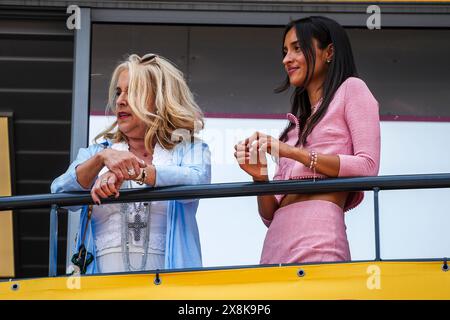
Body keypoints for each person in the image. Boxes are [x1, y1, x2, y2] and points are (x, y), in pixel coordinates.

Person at [234, 16, 380, 264]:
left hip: (320, 238)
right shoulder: (292, 128)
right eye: (284, 51)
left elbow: (368, 167)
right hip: (275, 245)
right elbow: (269, 216)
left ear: (329, 52)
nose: (286, 59)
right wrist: (259, 177)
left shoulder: (352, 89)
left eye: (297, 48)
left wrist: (292, 153)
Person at [51, 53, 211, 274]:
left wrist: (136, 173)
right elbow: (59, 193)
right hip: (101, 289)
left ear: (159, 100)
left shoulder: (190, 149)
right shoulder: (98, 152)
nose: (120, 100)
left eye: (132, 92)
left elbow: (198, 181)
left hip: (169, 287)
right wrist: (101, 160)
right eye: (118, 92)